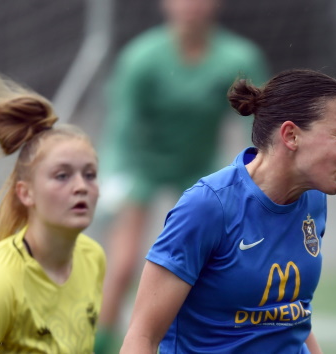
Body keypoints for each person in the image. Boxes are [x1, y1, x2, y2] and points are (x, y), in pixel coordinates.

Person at [120, 69, 336, 353]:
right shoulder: (208, 207)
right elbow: (142, 337)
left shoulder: (313, 198)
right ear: (291, 135)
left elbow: (292, 317)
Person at [95, 0, 268, 349]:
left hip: (200, 168)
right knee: (125, 262)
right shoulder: (141, 57)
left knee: (208, 267)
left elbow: (261, 124)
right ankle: (98, 343)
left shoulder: (239, 57)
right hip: (141, 166)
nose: (192, 5)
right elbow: (121, 128)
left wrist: (260, 177)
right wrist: (113, 179)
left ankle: (204, 341)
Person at [0, 58, 105, 353]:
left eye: (89, 174)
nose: (81, 186)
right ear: (25, 193)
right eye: (62, 175)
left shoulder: (93, 260)